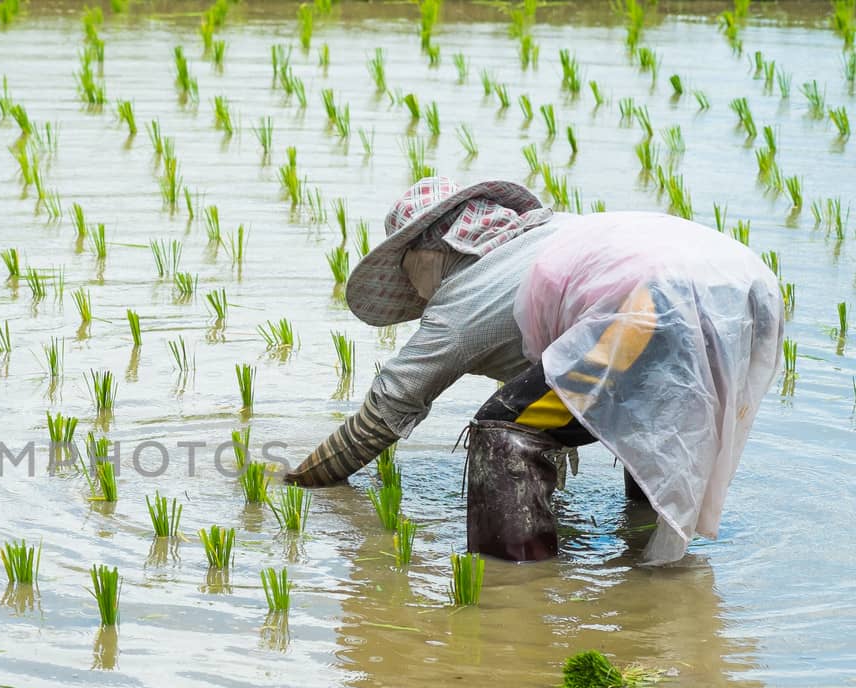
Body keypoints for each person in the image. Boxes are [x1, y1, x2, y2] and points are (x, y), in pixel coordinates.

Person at [283, 177, 782, 564]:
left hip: (650, 306)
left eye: (405, 266)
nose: (410, 289)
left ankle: (518, 588)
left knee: (505, 432)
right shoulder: (551, 236)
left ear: (432, 252)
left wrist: (298, 479)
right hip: (743, 287)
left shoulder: (466, 299)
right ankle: (647, 570)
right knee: (642, 423)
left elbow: (382, 415)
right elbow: (556, 387)